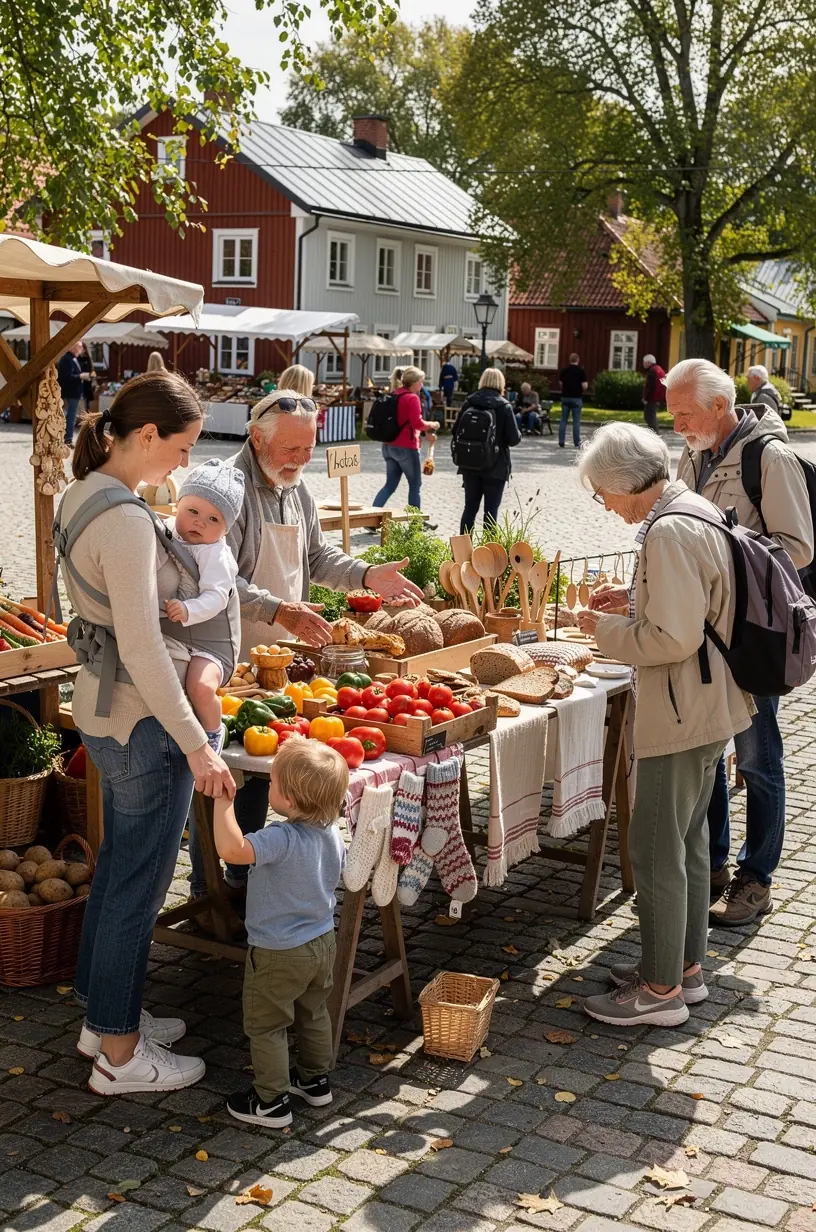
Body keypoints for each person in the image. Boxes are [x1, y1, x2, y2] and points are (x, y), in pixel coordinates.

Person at [59, 371, 235, 1095]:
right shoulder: (127, 518)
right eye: (183, 446)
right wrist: (196, 743)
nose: (183, 465)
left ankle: (103, 1018)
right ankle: (121, 1059)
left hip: (105, 710)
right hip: (140, 719)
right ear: (147, 435)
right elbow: (140, 646)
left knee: (121, 875)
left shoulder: (83, 493)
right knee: (140, 884)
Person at [187, 386, 422, 900]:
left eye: (308, 449)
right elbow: (215, 577)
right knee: (226, 774)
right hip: (225, 658)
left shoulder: (298, 490)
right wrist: (277, 609)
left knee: (259, 771)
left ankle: (244, 878)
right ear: (256, 436)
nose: (301, 460)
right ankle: (211, 888)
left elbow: (316, 558)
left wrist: (365, 574)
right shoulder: (226, 489)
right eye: (290, 451)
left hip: (282, 660)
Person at [575, 422, 753, 1027]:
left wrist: (597, 629)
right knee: (689, 842)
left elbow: (670, 638)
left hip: (682, 709)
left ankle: (658, 994)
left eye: (603, 496)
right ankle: (686, 970)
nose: (606, 507)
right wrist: (628, 605)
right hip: (710, 704)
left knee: (654, 851)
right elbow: (691, 612)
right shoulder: (691, 508)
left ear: (626, 485)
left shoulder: (669, 529)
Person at [669, 357, 813, 925]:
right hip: (700, 630)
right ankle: (712, 866)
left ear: (719, 407)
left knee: (756, 757)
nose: (676, 425)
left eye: (684, 413)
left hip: (752, 633)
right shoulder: (692, 452)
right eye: (673, 414)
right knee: (708, 752)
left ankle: (757, 879)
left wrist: (725, 553)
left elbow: (797, 549)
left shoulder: (768, 457)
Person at [213, 736, 348, 1128]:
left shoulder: (281, 838)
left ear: (289, 799)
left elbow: (234, 851)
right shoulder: (331, 833)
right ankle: (314, 1080)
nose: (267, 788)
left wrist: (224, 803)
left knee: (267, 1024)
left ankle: (271, 1101)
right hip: (322, 942)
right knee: (312, 1011)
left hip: (277, 951)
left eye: (271, 783)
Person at [163, 458, 245, 753]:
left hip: (212, 646)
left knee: (199, 686)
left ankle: (213, 731)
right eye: (193, 511)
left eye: (214, 519)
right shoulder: (168, 530)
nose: (200, 522)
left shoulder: (215, 554)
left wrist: (188, 610)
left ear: (225, 530)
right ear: (177, 506)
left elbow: (216, 597)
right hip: (179, 635)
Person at [453, 367, 521, 534]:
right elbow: (513, 439)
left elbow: (455, 431)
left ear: (482, 381)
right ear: (501, 383)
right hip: (495, 466)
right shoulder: (504, 406)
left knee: (469, 508)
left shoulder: (469, 402)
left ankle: (462, 552)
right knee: (490, 512)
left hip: (470, 464)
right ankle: (488, 554)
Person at [371, 366, 438, 512]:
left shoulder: (395, 394)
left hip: (388, 445)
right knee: (415, 485)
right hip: (406, 447)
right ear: (414, 383)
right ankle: (415, 522)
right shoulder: (412, 398)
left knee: (390, 485)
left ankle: (370, 518)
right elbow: (417, 423)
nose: (422, 385)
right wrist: (432, 424)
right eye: (421, 381)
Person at [558, 353, 588, 448]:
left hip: (565, 397)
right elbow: (585, 386)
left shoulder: (564, 371)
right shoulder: (581, 371)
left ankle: (561, 440)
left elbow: (560, 384)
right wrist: (581, 389)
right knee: (576, 421)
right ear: (577, 360)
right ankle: (576, 442)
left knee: (563, 420)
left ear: (569, 360)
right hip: (576, 398)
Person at [58, 341, 84, 445]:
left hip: (73, 392)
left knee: (70, 416)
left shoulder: (72, 358)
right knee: (70, 416)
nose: (81, 349)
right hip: (70, 392)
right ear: (73, 347)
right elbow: (66, 377)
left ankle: (67, 438)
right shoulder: (67, 359)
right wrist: (81, 376)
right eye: (79, 347)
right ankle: (68, 439)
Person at [642, 354, 666, 432]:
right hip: (658, 397)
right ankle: (654, 434)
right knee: (651, 417)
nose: (643, 364)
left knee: (649, 417)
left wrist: (646, 398)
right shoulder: (658, 369)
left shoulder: (652, 371)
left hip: (652, 398)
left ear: (649, 362)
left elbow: (651, 387)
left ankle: (655, 435)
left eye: (644, 362)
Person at [77, 342, 96, 413]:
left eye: (81, 348)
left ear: (84, 349)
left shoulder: (88, 359)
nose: (80, 349)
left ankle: (86, 421)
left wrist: (92, 376)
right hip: (78, 384)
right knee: (78, 407)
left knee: (86, 406)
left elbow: (92, 371)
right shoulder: (76, 358)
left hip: (86, 385)